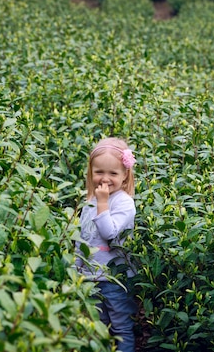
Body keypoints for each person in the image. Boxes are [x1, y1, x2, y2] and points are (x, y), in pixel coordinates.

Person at [76, 137, 138, 352]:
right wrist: (77, 269)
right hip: (90, 277)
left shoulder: (123, 202)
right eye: (99, 172)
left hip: (114, 279)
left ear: (124, 175)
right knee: (97, 326)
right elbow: (83, 238)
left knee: (121, 327)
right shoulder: (91, 200)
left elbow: (109, 232)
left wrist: (103, 203)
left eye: (113, 173)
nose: (105, 178)